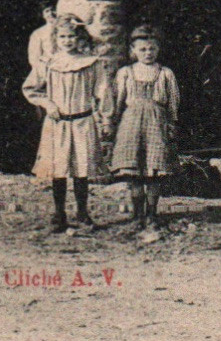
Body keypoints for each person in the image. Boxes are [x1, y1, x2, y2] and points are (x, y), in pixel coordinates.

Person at [22, 19, 113, 233]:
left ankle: (82, 213)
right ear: (56, 39)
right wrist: (48, 104)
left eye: (71, 36)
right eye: (63, 37)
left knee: (81, 170)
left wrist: (106, 117)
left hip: (82, 122)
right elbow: (31, 88)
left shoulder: (92, 63)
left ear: (79, 38)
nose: (67, 41)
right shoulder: (48, 63)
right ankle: (59, 214)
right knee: (59, 170)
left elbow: (103, 92)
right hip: (57, 123)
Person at [109, 25, 181, 231]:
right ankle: (137, 213)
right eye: (142, 49)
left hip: (156, 123)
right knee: (133, 170)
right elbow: (118, 101)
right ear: (133, 50)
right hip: (131, 123)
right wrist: (112, 122)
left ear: (158, 50)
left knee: (153, 169)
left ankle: (151, 213)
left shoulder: (165, 74)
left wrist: (171, 122)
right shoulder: (125, 73)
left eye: (152, 49)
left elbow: (173, 101)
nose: (147, 53)